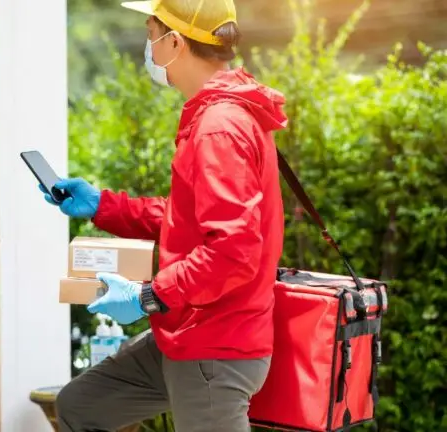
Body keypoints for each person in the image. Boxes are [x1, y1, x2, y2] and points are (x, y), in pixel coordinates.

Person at [39, 0, 289, 430]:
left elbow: (233, 250)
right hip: (186, 336)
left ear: (175, 42)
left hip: (215, 350)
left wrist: (147, 296)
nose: (148, 46)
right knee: (82, 405)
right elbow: (184, 220)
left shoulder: (219, 126)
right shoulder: (217, 116)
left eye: (151, 33)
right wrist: (101, 204)